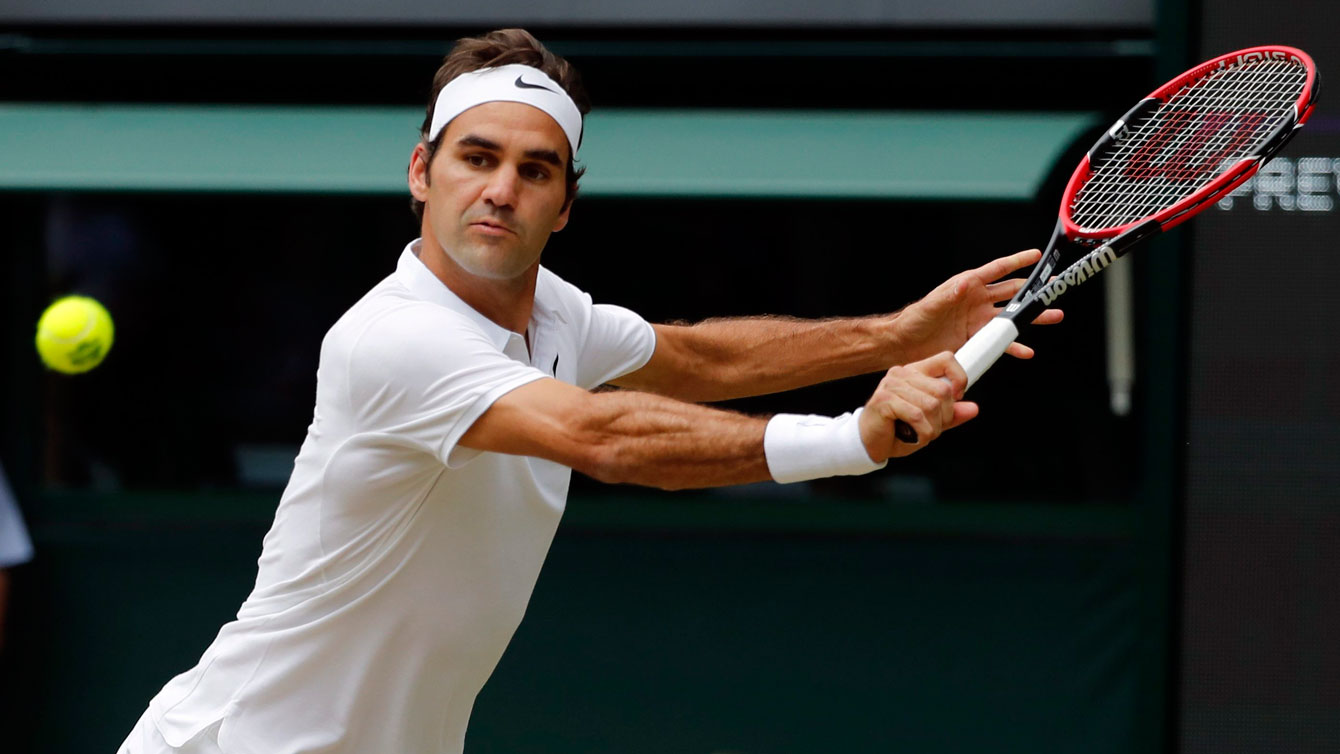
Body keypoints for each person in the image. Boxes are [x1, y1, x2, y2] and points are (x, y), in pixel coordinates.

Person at [118, 28, 1060, 754]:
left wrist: (895, 336)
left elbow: (699, 363)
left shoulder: (556, 316)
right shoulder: (391, 340)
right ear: (420, 173)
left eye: (535, 171)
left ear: (565, 204)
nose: (501, 190)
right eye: (476, 158)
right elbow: (607, 438)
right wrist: (854, 438)